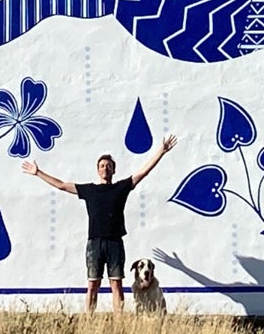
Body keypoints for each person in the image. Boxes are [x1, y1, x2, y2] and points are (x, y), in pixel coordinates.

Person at [22, 134, 177, 313]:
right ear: (98, 170)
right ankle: (89, 321)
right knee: (93, 284)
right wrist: (38, 172)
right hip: (94, 243)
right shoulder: (89, 190)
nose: (105, 168)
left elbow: (143, 172)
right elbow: (62, 185)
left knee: (116, 284)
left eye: (108, 166)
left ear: (113, 170)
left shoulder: (121, 187)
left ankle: (119, 324)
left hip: (115, 242)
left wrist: (161, 152)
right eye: (102, 166)